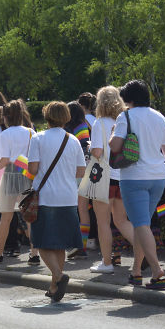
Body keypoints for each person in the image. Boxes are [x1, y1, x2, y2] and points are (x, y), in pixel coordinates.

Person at [110, 79, 165, 290]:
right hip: (158, 176)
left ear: (129, 99)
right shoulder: (159, 116)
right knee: (144, 225)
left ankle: (158, 272)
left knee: (140, 224)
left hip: (134, 177)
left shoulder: (126, 116)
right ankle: (136, 272)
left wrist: (113, 131)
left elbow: (115, 146)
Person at [27, 102, 87, 302]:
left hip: (45, 197)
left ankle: (59, 277)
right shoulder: (73, 140)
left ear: (46, 116)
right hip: (68, 196)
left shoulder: (38, 138)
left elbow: (33, 170)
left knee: (42, 241)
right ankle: (54, 286)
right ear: (66, 117)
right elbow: (80, 171)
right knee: (59, 244)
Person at [87, 85, 135, 274]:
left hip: (103, 178)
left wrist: (90, 148)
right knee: (122, 221)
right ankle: (146, 252)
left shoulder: (100, 123)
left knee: (103, 223)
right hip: (122, 176)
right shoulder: (125, 120)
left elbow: (97, 152)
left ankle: (106, 262)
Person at [0, 100, 36, 263]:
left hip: (11, 174)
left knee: (6, 217)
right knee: (29, 217)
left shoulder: (5, 134)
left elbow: (4, 160)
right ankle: (34, 253)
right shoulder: (31, 132)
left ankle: (0, 252)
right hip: (27, 174)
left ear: (5, 117)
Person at [66, 101, 93, 259]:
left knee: (75, 209)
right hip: (84, 172)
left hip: (71, 173)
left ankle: (76, 244)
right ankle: (81, 245)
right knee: (82, 209)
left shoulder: (66, 130)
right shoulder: (82, 127)